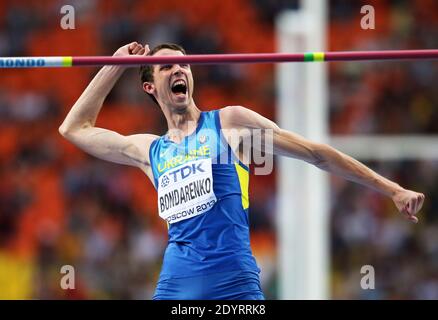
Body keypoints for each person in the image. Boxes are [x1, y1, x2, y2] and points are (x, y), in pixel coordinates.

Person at [59, 42, 425, 300]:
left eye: (184, 64)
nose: (180, 70)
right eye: (167, 66)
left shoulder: (229, 123)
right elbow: (75, 128)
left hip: (233, 282)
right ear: (150, 86)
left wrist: (392, 188)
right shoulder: (149, 150)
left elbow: (316, 153)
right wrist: (113, 65)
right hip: (176, 284)